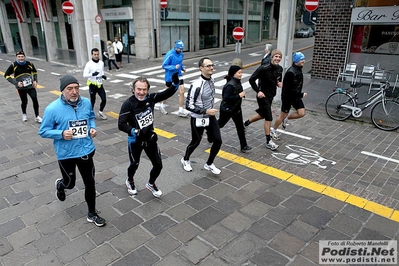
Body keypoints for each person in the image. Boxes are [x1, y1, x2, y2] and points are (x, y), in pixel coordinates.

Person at [38, 75, 106, 227]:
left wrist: (93, 128)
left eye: (76, 88)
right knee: (70, 183)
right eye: (70, 89)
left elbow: (90, 117)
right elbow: (43, 131)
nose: (74, 92)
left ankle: (92, 213)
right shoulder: (52, 109)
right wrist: (61, 134)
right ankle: (61, 185)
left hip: (86, 150)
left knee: (90, 182)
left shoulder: (86, 103)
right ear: (62, 90)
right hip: (66, 153)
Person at [118, 73, 180, 197]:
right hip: (135, 140)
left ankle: (151, 184)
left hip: (150, 138)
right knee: (134, 164)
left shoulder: (150, 98)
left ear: (148, 89)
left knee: (158, 164)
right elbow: (121, 124)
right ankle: (129, 180)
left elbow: (166, 94)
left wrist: (175, 84)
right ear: (133, 89)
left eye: (144, 89)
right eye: (139, 89)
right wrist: (136, 131)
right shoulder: (128, 103)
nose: (141, 92)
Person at [181, 57, 222, 175]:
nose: (211, 67)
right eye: (208, 66)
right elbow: (188, 106)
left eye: (212, 65)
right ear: (201, 68)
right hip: (198, 117)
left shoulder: (212, 80)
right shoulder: (196, 85)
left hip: (210, 117)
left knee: (218, 141)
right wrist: (206, 111)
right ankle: (185, 159)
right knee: (196, 141)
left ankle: (209, 164)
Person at [243, 49, 283, 151]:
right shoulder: (263, 68)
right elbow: (251, 80)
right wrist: (258, 91)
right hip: (262, 96)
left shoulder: (280, 69)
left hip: (271, 95)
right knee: (269, 118)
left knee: (262, 114)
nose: (277, 58)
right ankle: (268, 141)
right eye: (276, 56)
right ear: (272, 57)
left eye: (279, 57)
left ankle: (246, 124)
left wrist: (279, 83)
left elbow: (278, 79)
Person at [271, 52, 307, 140]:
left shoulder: (298, 69)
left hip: (296, 96)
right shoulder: (291, 72)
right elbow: (288, 89)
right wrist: (301, 94)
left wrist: (299, 94)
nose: (303, 61)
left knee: (301, 113)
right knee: (282, 115)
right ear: (296, 61)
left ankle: (286, 119)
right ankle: (273, 130)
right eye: (301, 59)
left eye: (303, 59)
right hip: (288, 97)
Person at [218, 65, 252, 153]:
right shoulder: (230, 84)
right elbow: (226, 98)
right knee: (220, 124)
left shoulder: (237, 81)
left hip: (236, 109)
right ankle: (210, 133)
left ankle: (244, 146)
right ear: (234, 73)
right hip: (227, 109)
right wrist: (239, 96)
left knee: (240, 127)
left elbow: (238, 91)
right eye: (239, 73)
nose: (241, 75)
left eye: (241, 72)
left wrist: (241, 94)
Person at [4, 51, 42, 123]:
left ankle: (37, 116)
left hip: (30, 86)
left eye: (22, 56)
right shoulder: (13, 65)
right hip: (21, 88)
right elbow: (6, 75)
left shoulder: (29, 64)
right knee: (24, 101)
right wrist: (16, 83)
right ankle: (24, 114)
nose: (21, 58)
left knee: (35, 99)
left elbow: (35, 72)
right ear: (16, 57)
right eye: (19, 57)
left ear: (24, 57)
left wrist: (35, 80)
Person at [160, 40, 188, 117]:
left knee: (182, 91)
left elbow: (180, 63)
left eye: (182, 49)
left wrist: (182, 68)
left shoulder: (181, 54)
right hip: (170, 76)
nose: (181, 51)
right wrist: (173, 67)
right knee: (167, 92)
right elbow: (164, 65)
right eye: (179, 49)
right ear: (176, 48)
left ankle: (180, 109)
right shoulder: (170, 54)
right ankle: (162, 104)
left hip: (179, 75)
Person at [83, 48, 108, 120]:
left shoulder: (101, 63)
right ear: (92, 55)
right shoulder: (89, 64)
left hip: (99, 84)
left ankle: (100, 112)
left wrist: (103, 76)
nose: (96, 56)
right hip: (92, 84)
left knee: (104, 99)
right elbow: (84, 75)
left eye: (97, 54)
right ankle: (91, 113)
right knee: (92, 100)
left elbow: (102, 72)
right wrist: (92, 74)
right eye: (95, 54)